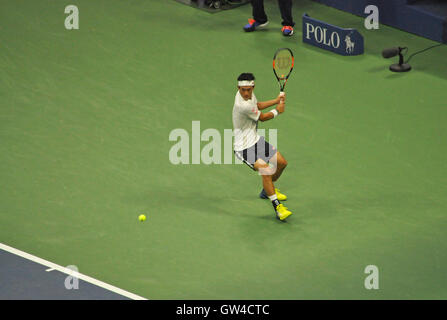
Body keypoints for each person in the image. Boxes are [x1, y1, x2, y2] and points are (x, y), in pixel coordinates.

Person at [232, 73, 292, 221]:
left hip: (255, 140)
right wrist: (278, 110)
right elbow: (263, 118)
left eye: (249, 89)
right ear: (238, 88)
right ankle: (278, 208)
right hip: (243, 148)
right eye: (242, 90)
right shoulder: (242, 105)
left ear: (253, 87)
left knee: (282, 163)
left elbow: (257, 105)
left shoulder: (249, 97)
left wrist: (276, 100)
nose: (246, 93)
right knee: (265, 170)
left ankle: (267, 190)